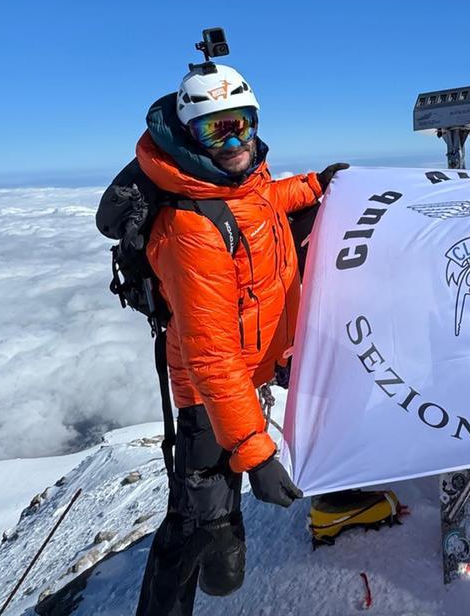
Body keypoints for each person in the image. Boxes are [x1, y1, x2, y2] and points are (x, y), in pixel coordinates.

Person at [133, 59, 350, 615]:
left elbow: (266, 204)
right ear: (188, 135)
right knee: (200, 533)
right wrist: (255, 456)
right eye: (215, 128)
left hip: (254, 366)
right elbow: (212, 359)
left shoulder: (239, 185)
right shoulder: (191, 228)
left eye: (242, 124)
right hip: (208, 394)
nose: (234, 141)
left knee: (219, 558)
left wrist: (317, 186)